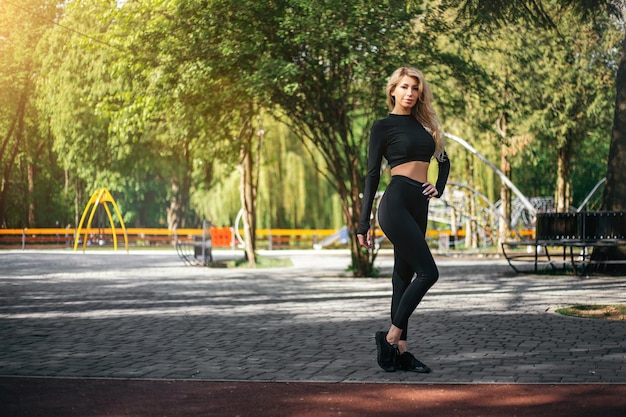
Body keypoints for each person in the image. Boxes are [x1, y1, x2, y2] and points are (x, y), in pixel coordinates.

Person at [357, 66, 450, 373]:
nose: (410, 93)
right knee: (429, 273)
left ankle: (401, 352)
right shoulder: (382, 127)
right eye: (405, 87)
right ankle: (389, 337)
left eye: (415, 89)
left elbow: (444, 160)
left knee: (403, 276)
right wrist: (363, 223)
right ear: (393, 90)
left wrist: (439, 187)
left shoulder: (426, 126)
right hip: (395, 203)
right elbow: (372, 175)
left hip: (419, 203)